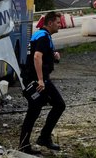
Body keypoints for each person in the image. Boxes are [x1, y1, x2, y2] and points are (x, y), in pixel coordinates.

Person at [19, 11, 66, 154]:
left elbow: (41, 54)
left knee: (36, 110)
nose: (60, 25)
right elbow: (37, 56)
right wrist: (40, 79)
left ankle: (32, 142)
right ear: (50, 23)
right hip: (37, 80)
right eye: (58, 22)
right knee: (57, 105)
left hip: (36, 79)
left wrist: (54, 57)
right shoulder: (43, 37)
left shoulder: (41, 35)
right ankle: (38, 140)